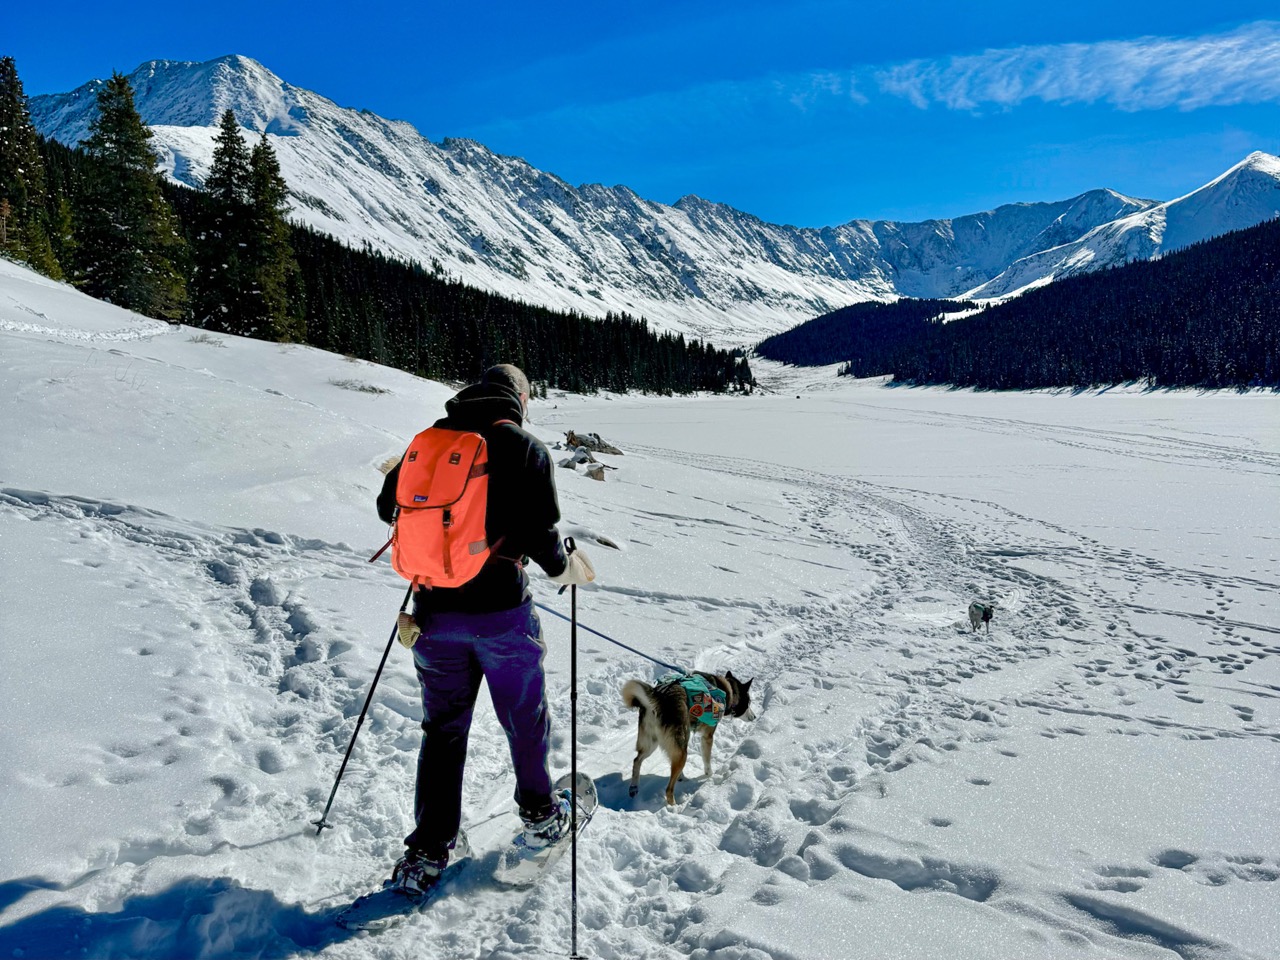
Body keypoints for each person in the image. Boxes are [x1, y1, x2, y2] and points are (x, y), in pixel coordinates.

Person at [375, 364, 595, 894]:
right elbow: (541, 532)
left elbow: (388, 509)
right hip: (501, 615)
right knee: (524, 718)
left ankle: (427, 851)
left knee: (443, 730)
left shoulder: (427, 439)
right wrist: (565, 566)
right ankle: (542, 818)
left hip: (433, 615)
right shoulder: (524, 447)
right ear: (520, 397)